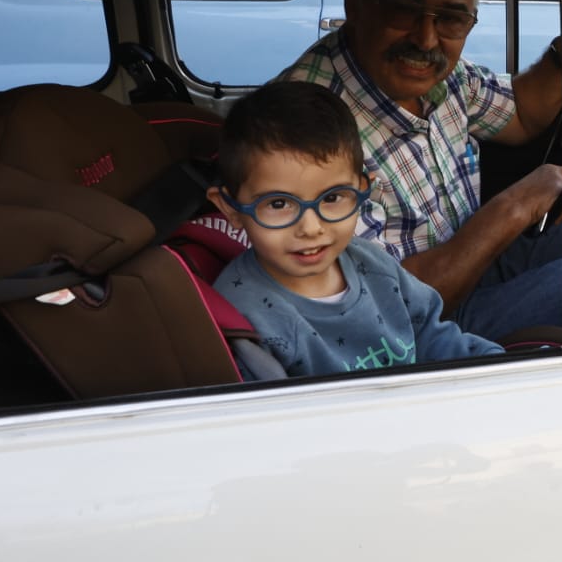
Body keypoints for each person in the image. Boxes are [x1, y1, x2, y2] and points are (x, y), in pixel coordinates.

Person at [282, 0, 562, 342]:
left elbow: (522, 113)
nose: (426, 39)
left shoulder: (446, 79)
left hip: (472, 273)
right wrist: (517, 206)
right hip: (414, 336)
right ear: (355, 3)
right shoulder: (304, 128)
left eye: (451, 18)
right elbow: (385, 308)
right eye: (404, 10)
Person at [208, 81, 507, 379]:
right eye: (278, 204)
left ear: (362, 189)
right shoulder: (246, 318)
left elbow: (433, 337)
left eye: (332, 198)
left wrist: (496, 367)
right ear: (231, 209)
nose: (311, 228)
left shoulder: (373, 264)